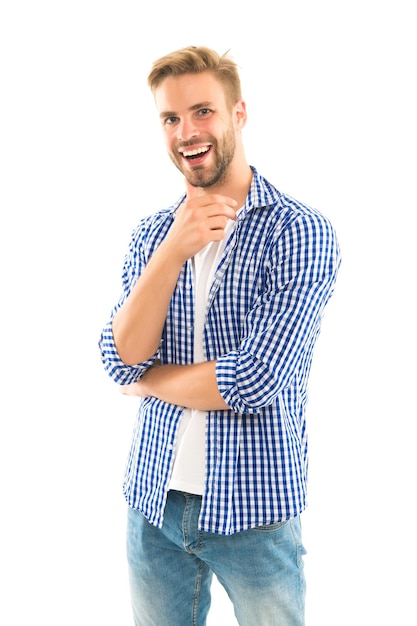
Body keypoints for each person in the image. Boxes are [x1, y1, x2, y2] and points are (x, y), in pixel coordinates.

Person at [99, 45, 341, 626]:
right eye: (171, 118)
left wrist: (148, 382)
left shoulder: (299, 232)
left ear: (238, 114)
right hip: (152, 501)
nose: (187, 131)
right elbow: (118, 356)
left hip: (255, 510)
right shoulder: (153, 232)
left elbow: (253, 380)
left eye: (203, 111)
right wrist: (173, 251)